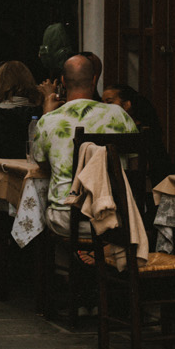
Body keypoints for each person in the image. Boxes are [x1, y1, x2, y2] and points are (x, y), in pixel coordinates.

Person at [28, 55, 136, 237]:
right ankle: (93, 258)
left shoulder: (49, 120)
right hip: (114, 216)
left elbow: (42, 165)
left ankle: (69, 262)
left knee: (42, 214)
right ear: (94, 79)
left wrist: (47, 112)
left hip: (67, 218)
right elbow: (135, 164)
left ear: (63, 81)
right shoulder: (119, 115)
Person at [103, 82, 171, 183]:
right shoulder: (108, 127)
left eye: (109, 102)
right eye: (102, 102)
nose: (103, 107)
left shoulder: (142, 131)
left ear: (126, 105)